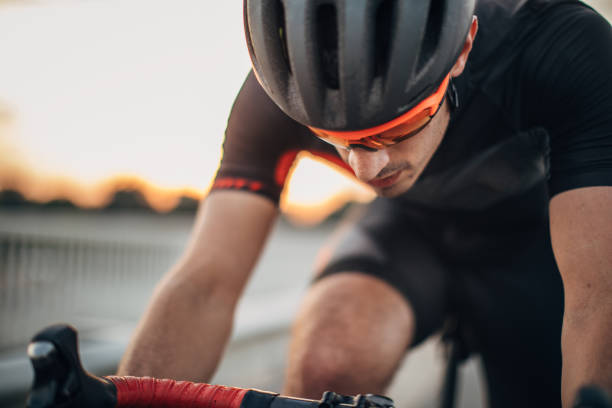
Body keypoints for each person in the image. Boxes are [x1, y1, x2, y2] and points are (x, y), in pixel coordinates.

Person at [117, 0, 612, 407]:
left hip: (540, 242)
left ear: (463, 49)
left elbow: (599, 299)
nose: (364, 170)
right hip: (411, 230)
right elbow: (204, 285)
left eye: (396, 129)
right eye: (332, 138)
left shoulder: (562, 48)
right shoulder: (276, 92)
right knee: (328, 364)